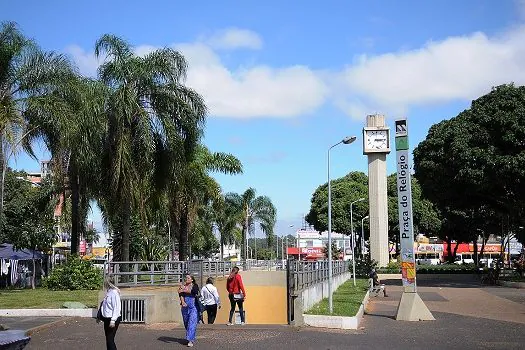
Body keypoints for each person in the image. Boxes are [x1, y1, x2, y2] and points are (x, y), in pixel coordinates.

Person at [99, 277, 122, 350]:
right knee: (108, 339)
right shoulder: (109, 292)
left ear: (108, 283)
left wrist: (113, 320)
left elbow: (117, 308)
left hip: (112, 318)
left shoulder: (114, 293)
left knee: (110, 339)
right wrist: (100, 316)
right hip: (107, 318)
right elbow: (104, 305)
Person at [178, 274, 199, 347]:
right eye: (186, 277)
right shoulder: (183, 286)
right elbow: (180, 294)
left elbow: (194, 292)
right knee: (186, 323)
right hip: (185, 307)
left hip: (193, 307)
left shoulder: (195, 285)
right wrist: (183, 302)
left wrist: (183, 289)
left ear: (192, 279)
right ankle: (190, 335)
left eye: (188, 278)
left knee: (192, 323)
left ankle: (190, 340)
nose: (186, 279)